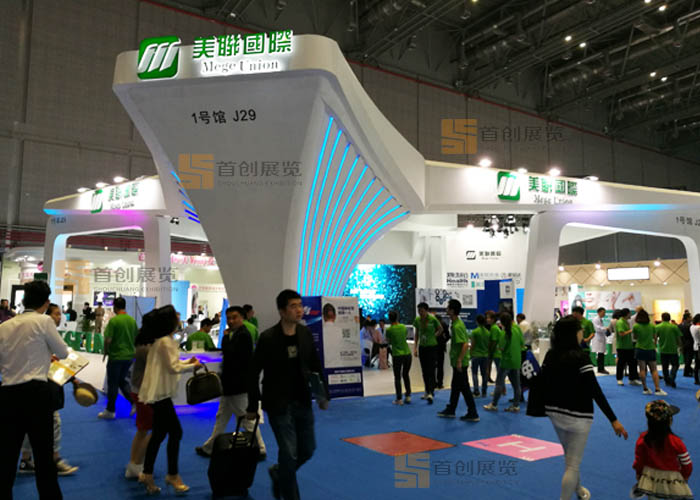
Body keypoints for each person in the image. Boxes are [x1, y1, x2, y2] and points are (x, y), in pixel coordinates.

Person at [246, 289, 329, 500]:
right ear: (282, 311)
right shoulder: (268, 338)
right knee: (289, 454)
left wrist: (323, 394)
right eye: (293, 306)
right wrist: (252, 406)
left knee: (308, 449)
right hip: (278, 404)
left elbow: (315, 365)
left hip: (303, 400)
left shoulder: (305, 334)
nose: (299, 310)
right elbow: (253, 372)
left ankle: (279, 473)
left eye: (300, 305)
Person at [542, 316, 628, 500]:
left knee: (570, 457)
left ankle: (579, 489)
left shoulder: (551, 355)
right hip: (578, 415)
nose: (583, 332)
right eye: (580, 330)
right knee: (572, 465)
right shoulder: (580, 357)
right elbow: (595, 390)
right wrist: (613, 419)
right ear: (573, 334)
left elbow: (544, 382)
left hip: (554, 412)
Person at [0, 280, 69, 500]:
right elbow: (63, 352)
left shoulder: (5, 326)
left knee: (7, 456)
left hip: (8, 394)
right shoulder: (44, 321)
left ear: (23, 300)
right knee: (43, 456)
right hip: (37, 394)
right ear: (46, 303)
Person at [138, 305, 200, 495]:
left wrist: (187, 363)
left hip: (158, 394)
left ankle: (148, 473)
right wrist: (192, 367)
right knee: (175, 432)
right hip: (161, 395)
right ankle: (172, 474)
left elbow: (170, 364)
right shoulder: (166, 341)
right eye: (176, 316)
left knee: (159, 434)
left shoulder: (162, 341)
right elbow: (173, 368)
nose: (179, 319)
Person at [197, 306, 266, 458]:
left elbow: (231, 355)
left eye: (234, 317)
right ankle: (209, 447)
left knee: (246, 421)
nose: (231, 321)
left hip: (238, 386)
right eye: (228, 318)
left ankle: (260, 449)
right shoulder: (238, 334)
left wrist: (225, 338)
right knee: (221, 418)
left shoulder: (243, 336)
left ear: (242, 318)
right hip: (231, 385)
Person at [19, 304, 79, 476]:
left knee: (29, 423)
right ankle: (54, 459)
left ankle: (25, 460)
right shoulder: (44, 330)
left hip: (33, 384)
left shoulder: (31, 330)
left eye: (60, 314)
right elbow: (62, 355)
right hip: (42, 385)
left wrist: (73, 379)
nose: (59, 317)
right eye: (56, 314)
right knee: (54, 422)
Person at [632, 400, 693, 500]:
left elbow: (639, 460)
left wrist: (639, 473)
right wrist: (685, 476)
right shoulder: (676, 441)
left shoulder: (643, 439)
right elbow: (687, 463)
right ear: (669, 421)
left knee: (652, 497)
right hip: (672, 480)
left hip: (650, 478)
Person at [124, 310, 156, 480]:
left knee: (143, 429)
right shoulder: (149, 347)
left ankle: (134, 463)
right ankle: (136, 464)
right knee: (154, 430)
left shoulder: (144, 342)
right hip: (145, 391)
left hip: (140, 390)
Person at [437, 299, 479, 422]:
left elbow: (465, 344)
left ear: (452, 310)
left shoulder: (457, 326)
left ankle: (473, 412)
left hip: (460, 362)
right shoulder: (456, 324)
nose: (446, 310)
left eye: (448, 308)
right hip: (457, 361)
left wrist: (460, 360)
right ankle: (451, 409)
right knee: (456, 387)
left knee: (464, 388)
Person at [98, 296, 137, 419]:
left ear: (115, 307)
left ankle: (110, 410)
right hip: (129, 357)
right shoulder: (132, 321)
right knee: (121, 380)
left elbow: (108, 340)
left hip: (116, 356)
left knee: (113, 383)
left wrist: (105, 352)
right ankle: (134, 402)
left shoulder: (114, 321)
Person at [483, 312, 524, 413]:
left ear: (501, 322)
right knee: (517, 385)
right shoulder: (517, 329)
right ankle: (516, 406)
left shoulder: (504, 333)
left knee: (499, 384)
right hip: (516, 360)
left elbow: (501, 348)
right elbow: (522, 343)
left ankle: (494, 404)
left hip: (506, 362)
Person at [413, 302, 443, 405]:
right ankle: (426, 391)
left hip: (432, 347)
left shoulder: (433, 319)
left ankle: (431, 392)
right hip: (422, 347)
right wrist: (415, 348)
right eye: (419, 311)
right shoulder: (417, 320)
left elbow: (440, 329)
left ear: (426, 310)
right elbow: (417, 334)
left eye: (421, 311)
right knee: (424, 370)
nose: (420, 313)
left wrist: (434, 336)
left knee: (431, 370)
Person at [633, 309, 666, 396]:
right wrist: (654, 345)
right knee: (654, 369)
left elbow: (635, 337)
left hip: (639, 349)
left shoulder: (636, 326)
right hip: (650, 349)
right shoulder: (652, 326)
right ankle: (657, 389)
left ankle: (645, 388)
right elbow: (655, 337)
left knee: (642, 369)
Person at [385, 311, 411, 405]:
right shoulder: (403, 327)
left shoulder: (389, 330)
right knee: (406, 375)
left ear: (389, 318)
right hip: (407, 354)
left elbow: (388, 341)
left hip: (397, 355)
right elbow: (405, 336)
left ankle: (399, 399)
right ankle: (408, 396)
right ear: (397, 317)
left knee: (397, 377)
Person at [656, 313, 682, 389]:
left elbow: (655, 337)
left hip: (663, 349)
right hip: (673, 349)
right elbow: (678, 338)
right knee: (675, 365)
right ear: (670, 318)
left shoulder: (658, 327)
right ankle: (672, 377)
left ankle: (667, 380)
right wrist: (680, 346)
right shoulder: (674, 327)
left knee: (665, 366)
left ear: (662, 318)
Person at [616, 308, 641, 387]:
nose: (630, 315)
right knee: (621, 363)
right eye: (629, 313)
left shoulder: (626, 321)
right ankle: (619, 379)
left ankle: (632, 379)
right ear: (626, 314)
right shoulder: (620, 322)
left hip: (629, 346)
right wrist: (631, 330)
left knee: (632, 363)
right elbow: (621, 333)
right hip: (622, 347)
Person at [470, 314, 491, 398]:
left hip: (476, 355)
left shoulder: (475, 332)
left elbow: (473, 344)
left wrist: (470, 353)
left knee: (474, 373)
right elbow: (488, 345)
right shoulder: (488, 332)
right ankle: (484, 391)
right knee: (484, 374)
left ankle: (476, 391)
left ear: (477, 321)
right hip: (485, 355)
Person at [486, 310, 503, 386]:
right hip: (496, 352)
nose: (487, 319)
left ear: (493, 319)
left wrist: (490, 352)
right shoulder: (494, 327)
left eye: (488, 318)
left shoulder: (494, 328)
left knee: (500, 372)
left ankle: (500, 388)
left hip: (496, 353)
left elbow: (494, 341)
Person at [591, 307, 610, 374]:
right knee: (600, 354)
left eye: (604, 313)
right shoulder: (596, 319)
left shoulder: (600, 319)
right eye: (603, 312)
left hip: (601, 338)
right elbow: (597, 328)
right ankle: (600, 369)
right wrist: (605, 328)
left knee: (601, 354)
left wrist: (605, 329)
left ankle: (601, 368)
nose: (604, 314)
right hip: (598, 338)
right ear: (599, 312)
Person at [435, 313, 450, 390]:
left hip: (433, 347)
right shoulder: (444, 324)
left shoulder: (433, 325)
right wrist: (444, 341)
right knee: (440, 366)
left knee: (433, 366)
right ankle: (440, 383)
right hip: (441, 347)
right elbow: (448, 336)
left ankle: (433, 383)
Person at [679, 312, 694, 377]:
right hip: (690, 344)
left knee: (686, 359)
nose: (691, 318)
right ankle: (686, 372)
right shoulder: (690, 326)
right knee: (689, 359)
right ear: (687, 318)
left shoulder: (679, 325)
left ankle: (689, 370)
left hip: (682, 344)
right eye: (690, 317)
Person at [691, 314, 700, 386]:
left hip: (695, 346)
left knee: (697, 364)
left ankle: (696, 379)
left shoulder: (692, 327)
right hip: (699, 347)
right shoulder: (698, 327)